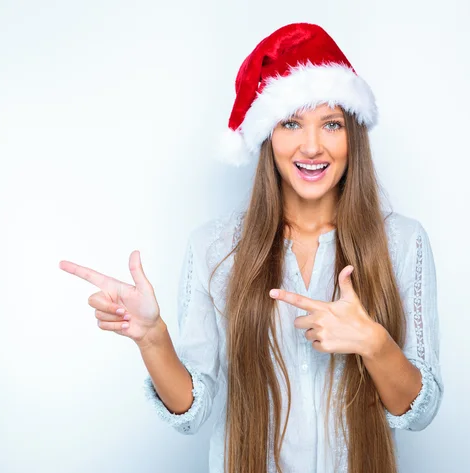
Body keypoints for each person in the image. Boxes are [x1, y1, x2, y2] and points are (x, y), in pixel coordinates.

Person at [59, 22, 443, 473]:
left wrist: (374, 344)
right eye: (292, 122)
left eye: (332, 124)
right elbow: (192, 411)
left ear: (352, 134)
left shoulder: (402, 241)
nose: (313, 145)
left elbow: (420, 411)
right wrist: (152, 338)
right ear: (267, 137)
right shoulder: (213, 248)